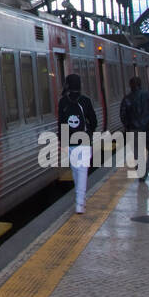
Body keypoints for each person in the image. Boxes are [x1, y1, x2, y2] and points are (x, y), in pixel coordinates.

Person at [58, 73, 98, 214]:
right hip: (84, 141)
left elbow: (61, 124)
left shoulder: (63, 101)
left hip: (70, 142)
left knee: (76, 171)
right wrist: (90, 132)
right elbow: (93, 120)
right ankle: (80, 202)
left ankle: (79, 198)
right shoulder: (85, 100)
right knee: (82, 171)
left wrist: (62, 143)